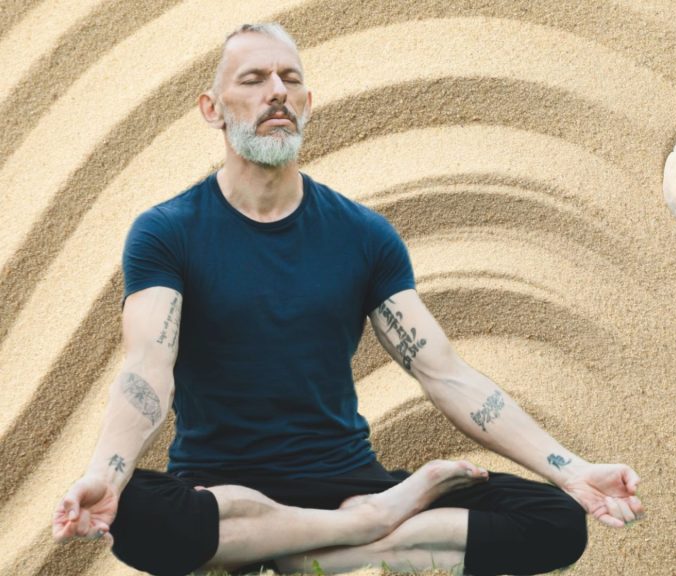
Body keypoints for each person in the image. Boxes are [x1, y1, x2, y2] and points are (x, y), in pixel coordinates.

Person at [52, 23, 644, 576]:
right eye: (254, 80)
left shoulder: (362, 235)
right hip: (219, 490)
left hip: (346, 478)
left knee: (557, 521)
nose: (276, 93)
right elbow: (146, 371)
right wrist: (106, 474)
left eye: (291, 79)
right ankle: (361, 532)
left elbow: (445, 374)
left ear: (307, 104)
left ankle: (308, 542)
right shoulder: (167, 232)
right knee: (134, 516)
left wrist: (573, 470)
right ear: (212, 109)